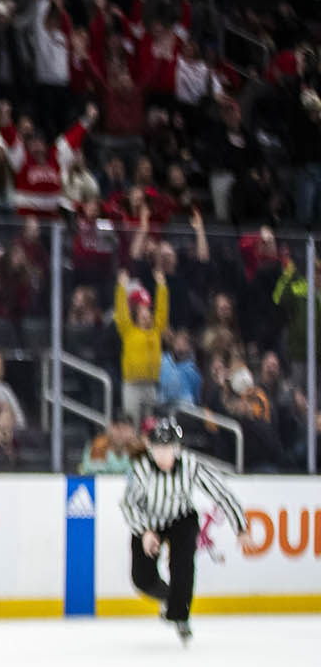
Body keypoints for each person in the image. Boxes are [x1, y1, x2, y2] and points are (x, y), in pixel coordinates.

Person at [121, 419, 244, 644]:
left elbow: (221, 493)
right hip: (149, 521)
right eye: (158, 449)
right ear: (150, 449)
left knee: (183, 565)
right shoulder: (142, 469)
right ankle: (171, 598)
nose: (163, 455)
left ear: (177, 449)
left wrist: (241, 527)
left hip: (181, 519)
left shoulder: (190, 465)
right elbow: (128, 504)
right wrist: (145, 531)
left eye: (168, 449)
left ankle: (179, 615)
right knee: (142, 578)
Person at [115, 270, 169, 425]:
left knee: (149, 425)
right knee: (132, 423)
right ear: (137, 315)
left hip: (151, 385)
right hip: (132, 385)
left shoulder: (156, 331)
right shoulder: (128, 331)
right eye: (142, 313)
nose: (146, 315)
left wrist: (162, 286)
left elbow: (162, 312)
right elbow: (122, 313)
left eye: (148, 312)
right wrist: (122, 288)